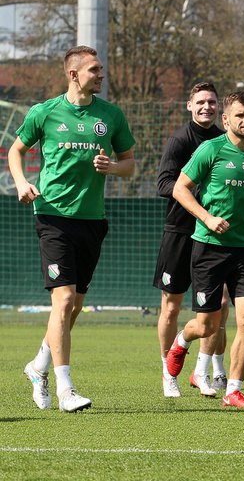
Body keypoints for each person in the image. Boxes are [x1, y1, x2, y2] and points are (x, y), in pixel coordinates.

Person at [14, 45, 136, 412]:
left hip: (92, 220)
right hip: (52, 216)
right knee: (63, 300)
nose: (102, 74)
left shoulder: (111, 116)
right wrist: (21, 182)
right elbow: (15, 150)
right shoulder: (45, 112)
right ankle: (66, 389)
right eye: (95, 69)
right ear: (74, 74)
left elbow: (129, 163)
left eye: (102, 69)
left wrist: (112, 168)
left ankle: (39, 366)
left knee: (74, 307)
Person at [166, 91, 244, 408]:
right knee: (208, 325)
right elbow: (180, 188)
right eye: (240, 115)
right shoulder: (210, 149)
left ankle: (234, 389)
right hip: (210, 247)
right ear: (226, 119)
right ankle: (181, 340)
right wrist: (207, 217)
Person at [153, 82, 225, 398]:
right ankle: (168, 371)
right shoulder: (181, 140)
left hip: (212, 236)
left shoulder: (226, 140)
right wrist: (197, 193)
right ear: (189, 105)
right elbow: (164, 183)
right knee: (171, 305)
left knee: (216, 307)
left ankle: (201, 371)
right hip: (180, 232)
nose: (206, 106)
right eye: (200, 102)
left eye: (211, 101)